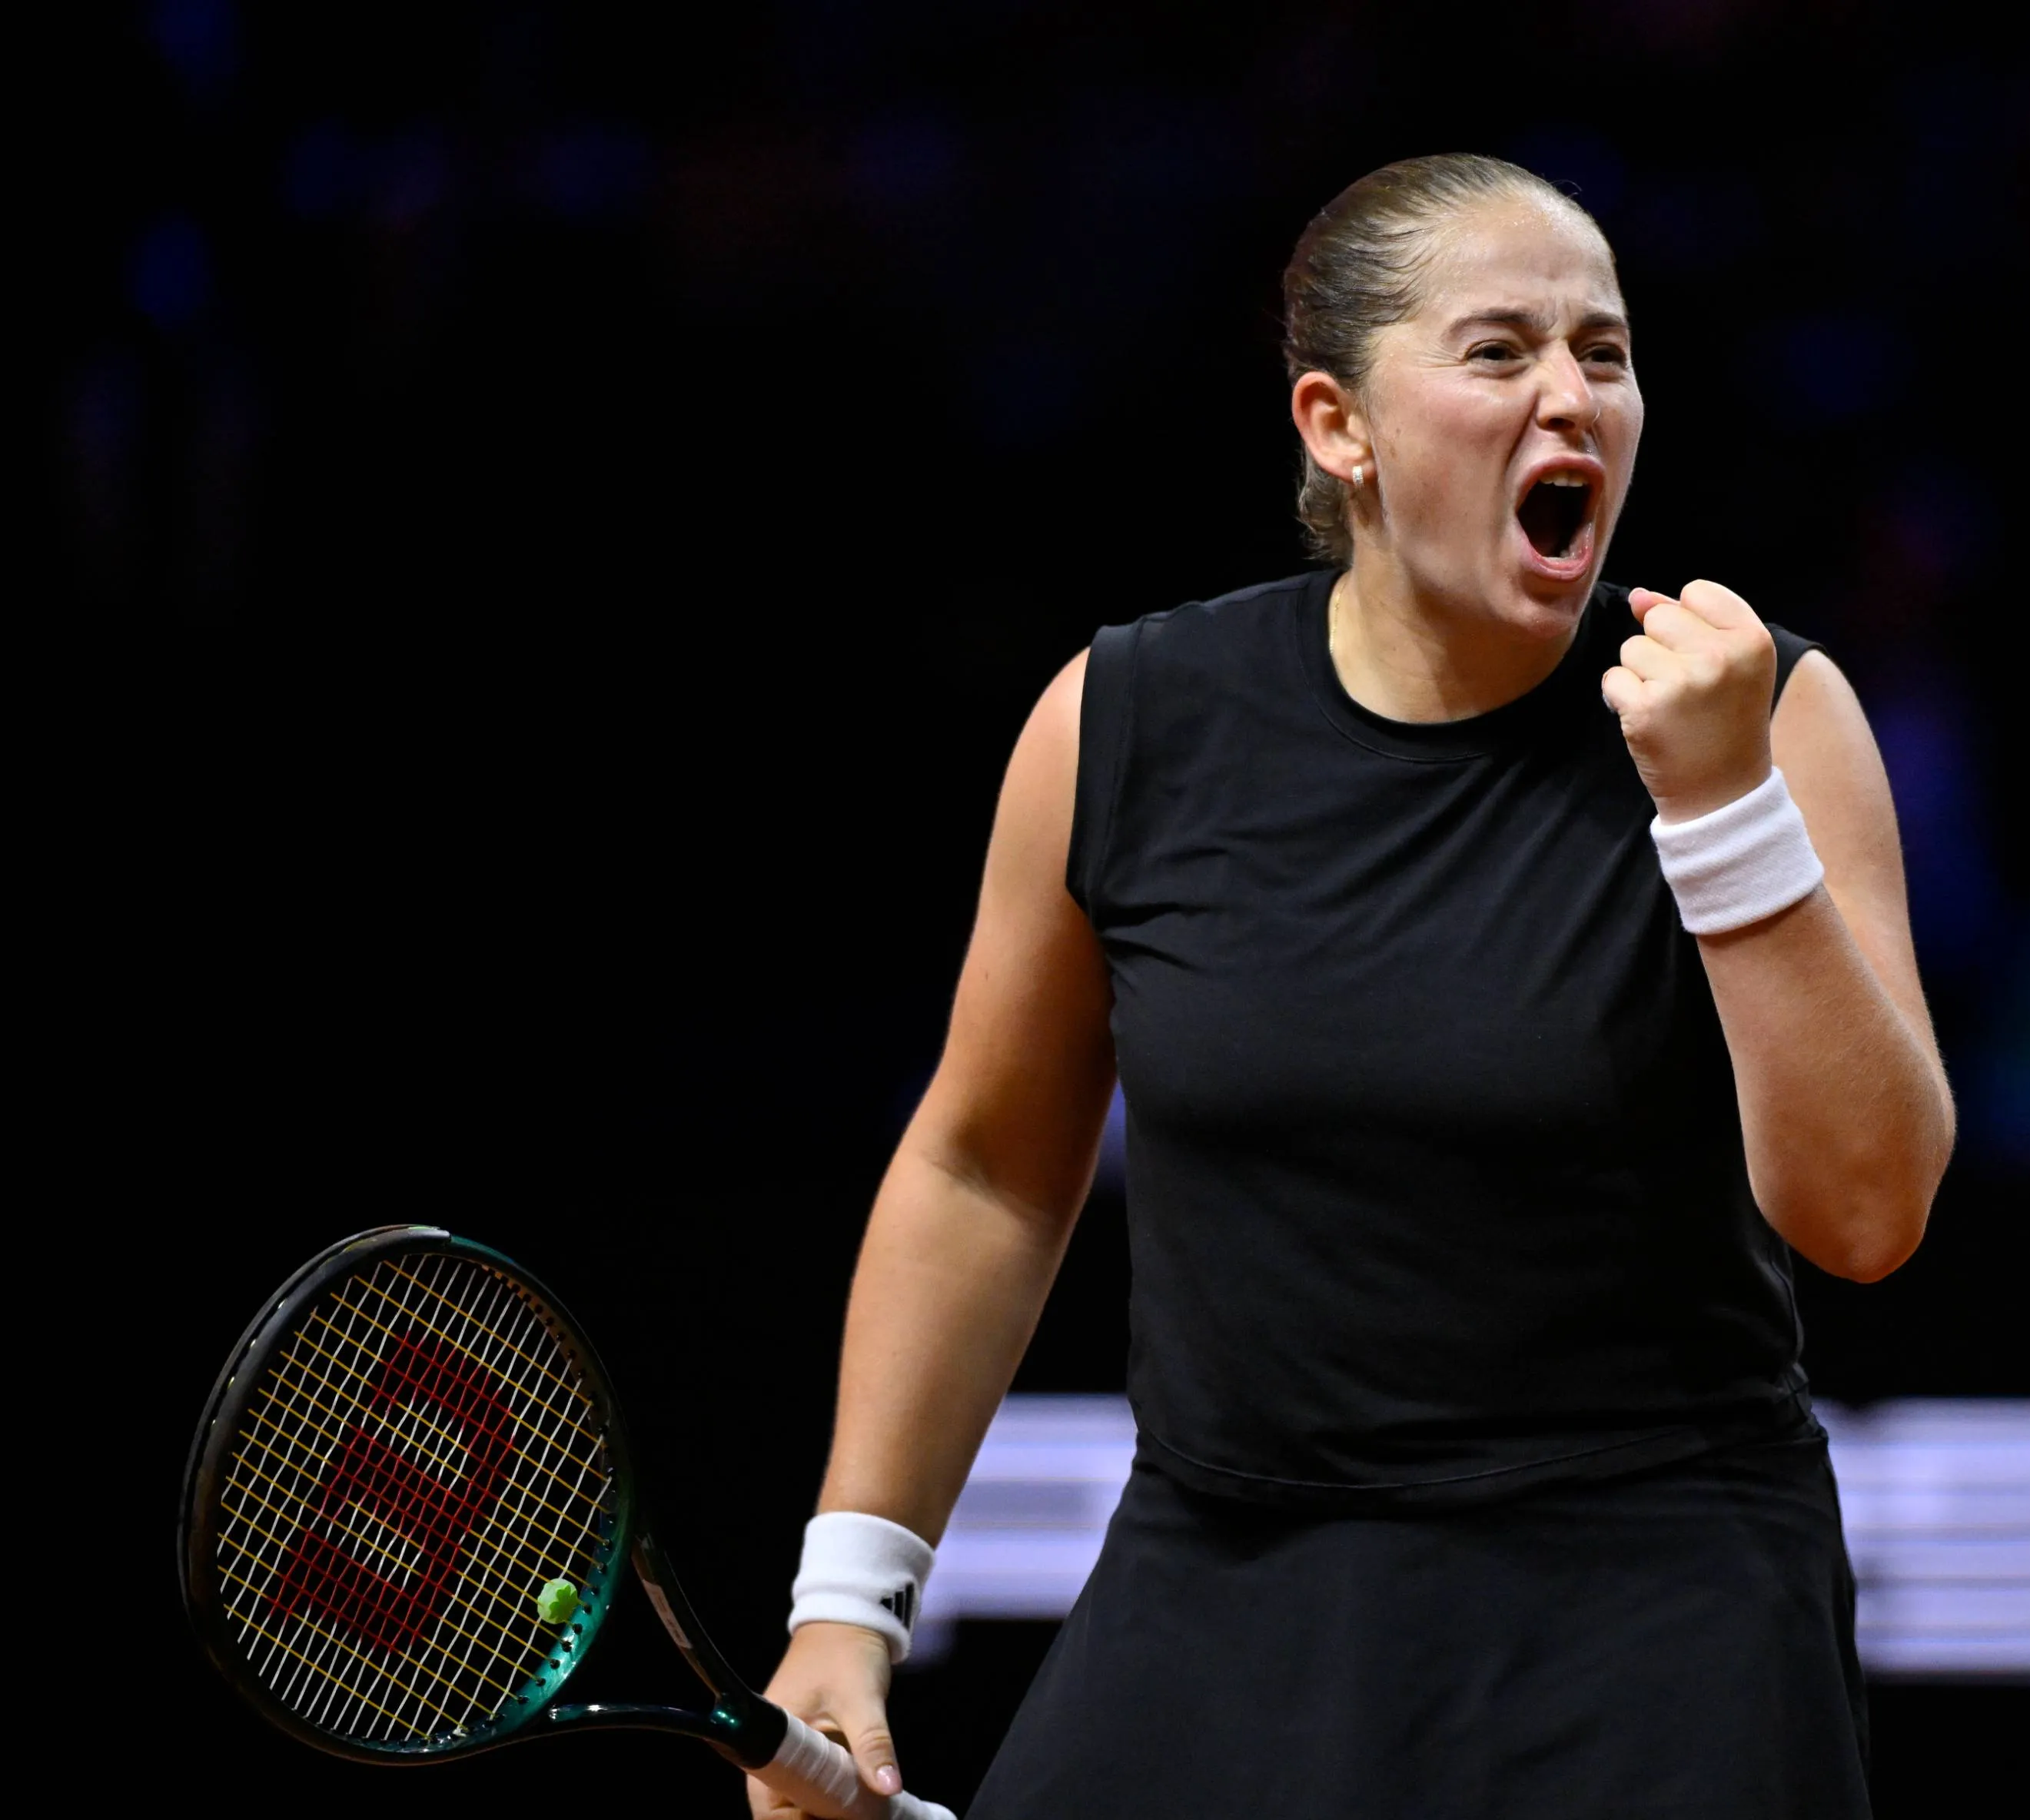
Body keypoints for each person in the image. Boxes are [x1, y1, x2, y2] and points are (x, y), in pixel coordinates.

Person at [749, 154, 1952, 1818]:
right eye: (1500, 350)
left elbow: (1870, 1206)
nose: (1570, 397)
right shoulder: (1128, 724)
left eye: (1603, 354)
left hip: (1657, 1603)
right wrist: (846, 1601)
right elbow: (986, 1164)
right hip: (1232, 1569)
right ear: (1341, 426)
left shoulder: (1764, 720)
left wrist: (1725, 811)